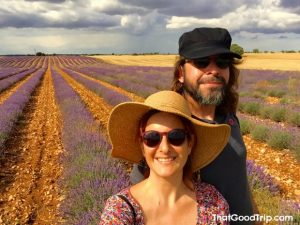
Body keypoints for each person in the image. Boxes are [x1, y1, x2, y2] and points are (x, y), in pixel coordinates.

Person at [131, 27, 257, 224]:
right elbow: (142, 197)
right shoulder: (168, 128)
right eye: (202, 62)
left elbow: (238, 177)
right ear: (180, 73)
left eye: (222, 62)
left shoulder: (229, 117)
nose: (214, 70)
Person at [100, 90, 231, 224]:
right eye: (152, 138)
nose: (165, 148)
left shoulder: (213, 203)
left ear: (190, 143)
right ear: (142, 146)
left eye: (176, 137)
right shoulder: (120, 210)